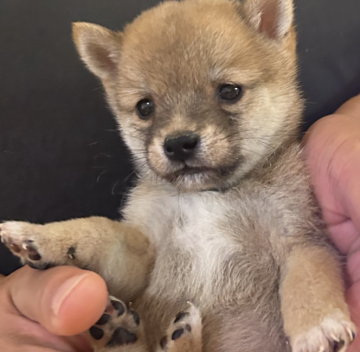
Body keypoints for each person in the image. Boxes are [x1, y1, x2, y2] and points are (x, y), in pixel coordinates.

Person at [0, 95, 359, 351]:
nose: (178, 130)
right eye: (146, 107)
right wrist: (56, 241)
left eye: (227, 93)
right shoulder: (152, 192)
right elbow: (133, 254)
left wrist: (315, 320)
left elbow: (304, 249)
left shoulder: (288, 174)